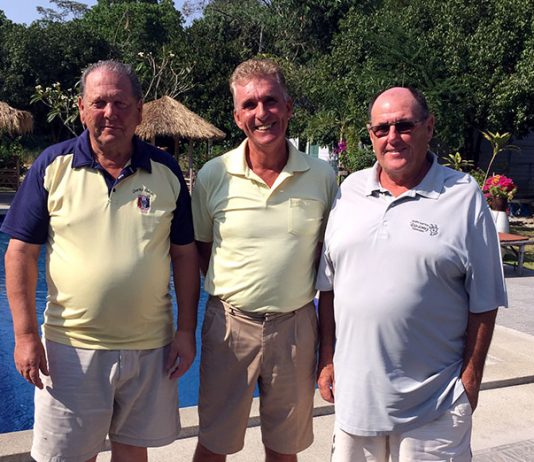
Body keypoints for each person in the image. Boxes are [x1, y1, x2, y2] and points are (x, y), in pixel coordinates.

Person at [1, 60, 199, 462]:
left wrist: (186, 330)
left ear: (139, 111)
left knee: (133, 452)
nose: (111, 113)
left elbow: (184, 254)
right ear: (81, 108)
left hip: (149, 347)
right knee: (70, 457)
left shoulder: (165, 171)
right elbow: (20, 252)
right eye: (100, 102)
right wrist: (24, 335)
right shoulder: (52, 166)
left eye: (121, 103)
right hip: (71, 349)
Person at [316, 87, 508, 461]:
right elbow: (329, 287)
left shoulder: (462, 195)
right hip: (355, 402)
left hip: (435, 404)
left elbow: (485, 298)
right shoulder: (349, 191)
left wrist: (470, 382)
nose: (392, 137)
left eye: (404, 125)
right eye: (381, 128)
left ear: (428, 127)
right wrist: (327, 359)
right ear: (371, 134)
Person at [191, 59, 338, 462]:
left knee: (284, 449)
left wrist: (328, 351)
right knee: (214, 445)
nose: (262, 113)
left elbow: (327, 262)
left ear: (288, 107)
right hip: (230, 326)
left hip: (295, 328)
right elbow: (202, 249)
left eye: (271, 101)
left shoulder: (322, 177)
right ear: (237, 116)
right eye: (250, 104)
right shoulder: (213, 175)